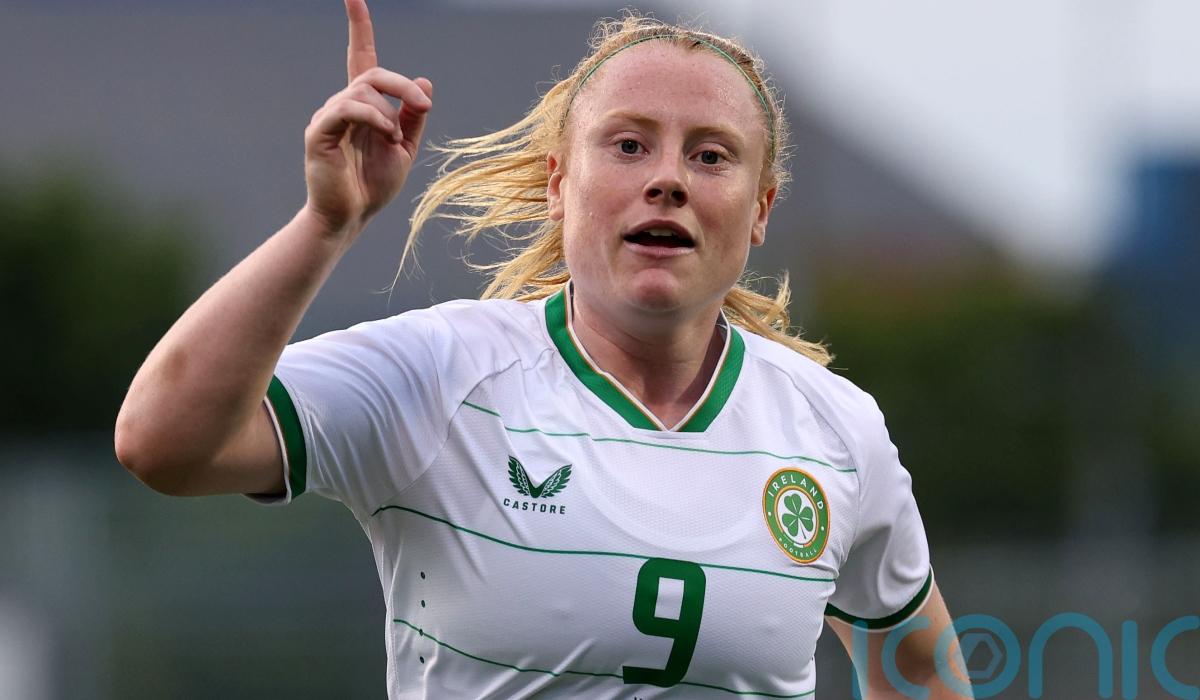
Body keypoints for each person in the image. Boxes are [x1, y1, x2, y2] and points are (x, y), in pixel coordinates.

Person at [116, 1, 971, 697]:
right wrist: (325, 224)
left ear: (761, 211)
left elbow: (921, 668)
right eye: (628, 145)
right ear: (560, 184)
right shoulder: (440, 373)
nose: (667, 178)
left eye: (711, 156)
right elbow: (161, 441)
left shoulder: (836, 429)